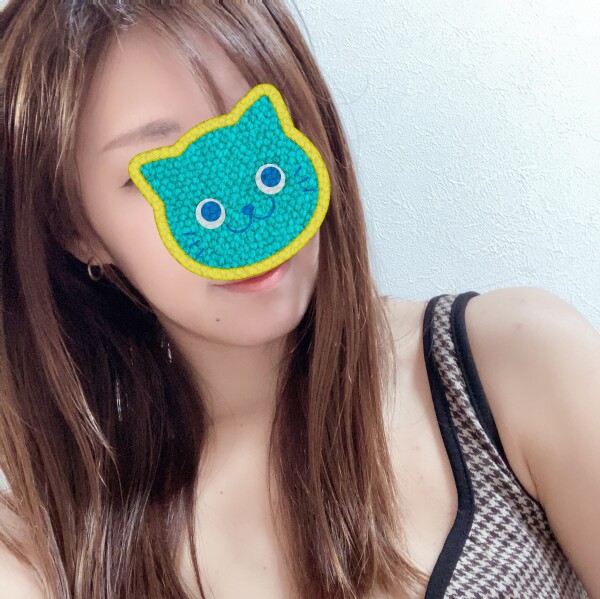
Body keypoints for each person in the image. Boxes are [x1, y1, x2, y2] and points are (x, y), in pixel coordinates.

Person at [1, 2, 598, 598]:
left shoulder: (512, 366)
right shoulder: (49, 546)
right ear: (77, 228)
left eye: (255, 132)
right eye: (154, 170)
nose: (251, 218)